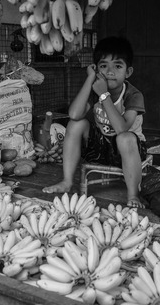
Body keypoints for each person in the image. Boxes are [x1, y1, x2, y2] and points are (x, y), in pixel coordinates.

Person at [42, 36, 147, 208]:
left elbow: (122, 129)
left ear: (128, 72)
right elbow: (74, 114)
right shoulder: (95, 89)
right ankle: (67, 181)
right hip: (101, 149)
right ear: (97, 69)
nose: (110, 71)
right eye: (104, 66)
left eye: (118, 66)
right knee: (76, 124)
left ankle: (133, 195)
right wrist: (90, 80)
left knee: (125, 138)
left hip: (130, 150)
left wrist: (104, 95)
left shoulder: (133, 95)